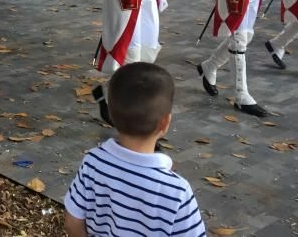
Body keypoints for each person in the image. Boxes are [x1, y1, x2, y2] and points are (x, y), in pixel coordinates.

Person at [63, 63, 206, 237]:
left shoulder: (92, 163)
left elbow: (72, 223)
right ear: (165, 123)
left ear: (111, 115)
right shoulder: (177, 192)